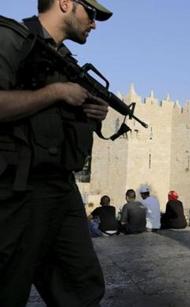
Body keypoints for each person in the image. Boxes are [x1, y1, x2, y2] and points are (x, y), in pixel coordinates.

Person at [0, 1, 112, 305]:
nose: (94, 23)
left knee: (82, 288)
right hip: (16, 189)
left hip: (61, 188)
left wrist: (91, 113)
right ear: (65, 3)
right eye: (91, 14)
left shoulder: (66, 63)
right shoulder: (11, 39)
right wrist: (57, 93)